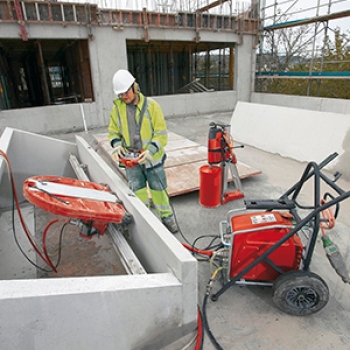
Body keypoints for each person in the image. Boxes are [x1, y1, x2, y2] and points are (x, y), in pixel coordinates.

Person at [108, 69, 178, 233]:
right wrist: (117, 145)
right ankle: (144, 221)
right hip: (131, 160)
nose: (124, 97)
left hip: (152, 159)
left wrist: (152, 150)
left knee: (159, 190)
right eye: (120, 94)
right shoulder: (117, 110)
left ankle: (166, 217)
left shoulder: (152, 106)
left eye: (126, 92)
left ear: (134, 87)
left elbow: (161, 133)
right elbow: (113, 132)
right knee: (137, 191)